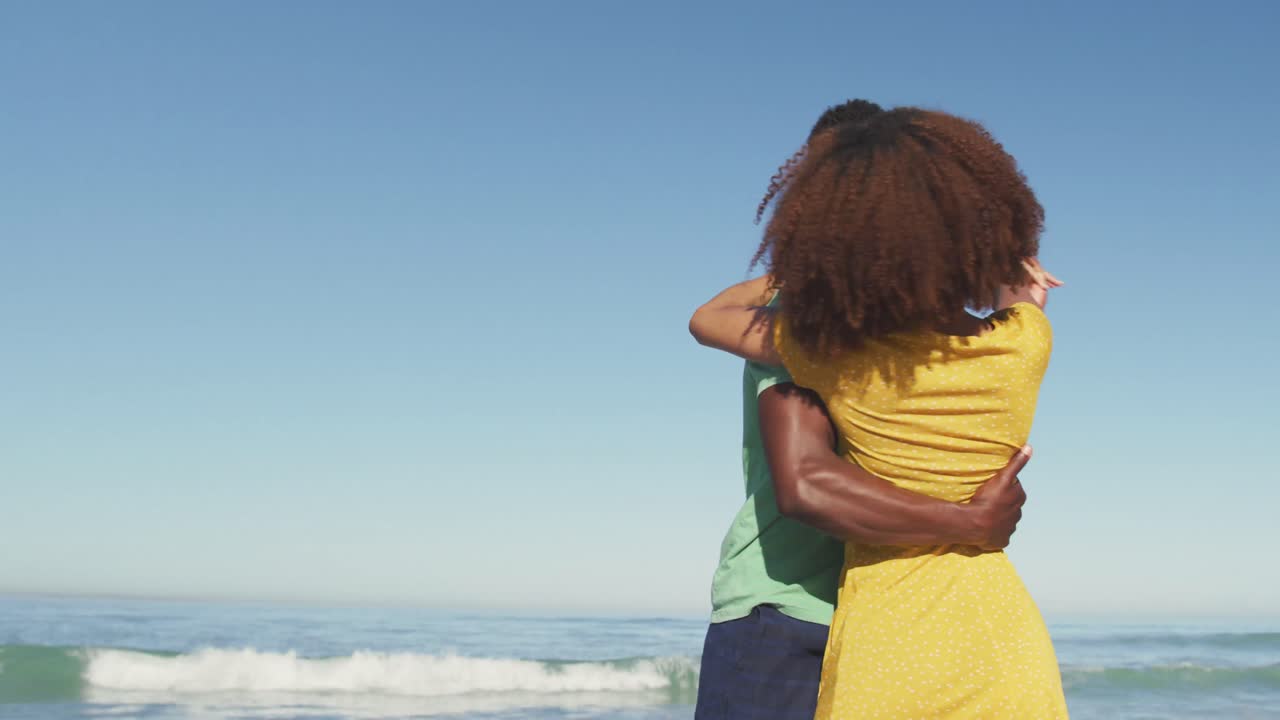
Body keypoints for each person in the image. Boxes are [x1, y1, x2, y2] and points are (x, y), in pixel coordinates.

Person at [691, 106, 1069, 718]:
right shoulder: (1021, 344)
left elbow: (705, 320)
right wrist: (968, 523)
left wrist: (803, 269)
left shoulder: (824, 345)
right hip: (882, 613)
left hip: (854, 614)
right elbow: (810, 484)